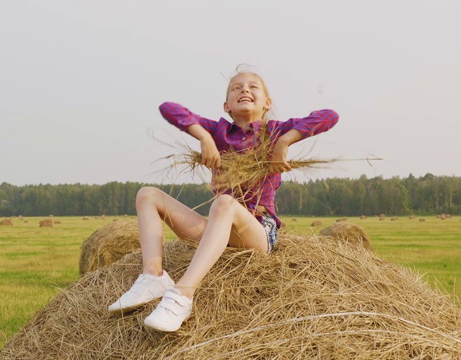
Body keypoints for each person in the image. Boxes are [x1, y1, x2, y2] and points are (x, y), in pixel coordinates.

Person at [108, 69, 339, 332]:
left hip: (257, 232)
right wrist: (204, 137)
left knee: (225, 202)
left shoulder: (275, 132)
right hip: (217, 231)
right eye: (236, 87)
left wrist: (285, 141)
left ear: (267, 103)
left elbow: (329, 116)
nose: (244, 90)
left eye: (253, 87)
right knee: (147, 194)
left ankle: (182, 295)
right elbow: (168, 108)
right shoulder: (217, 132)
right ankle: (153, 276)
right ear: (226, 105)